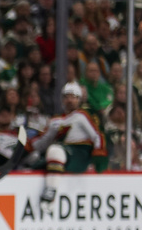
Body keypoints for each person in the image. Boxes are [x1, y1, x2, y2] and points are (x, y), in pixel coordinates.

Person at [30, 82, 107, 215]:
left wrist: (99, 156)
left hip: (80, 154)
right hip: (62, 153)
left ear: (79, 99)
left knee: (55, 150)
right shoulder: (56, 120)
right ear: (62, 100)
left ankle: (50, 192)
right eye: (67, 97)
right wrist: (27, 146)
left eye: (73, 97)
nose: (70, 100)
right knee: (35, 160)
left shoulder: (83, 115)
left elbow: (97, 135)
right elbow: (43, 142)